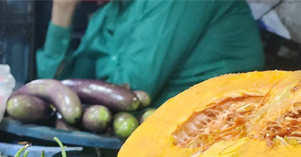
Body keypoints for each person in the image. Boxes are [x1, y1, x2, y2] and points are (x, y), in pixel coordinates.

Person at [37, 0, 265, 105]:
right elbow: (57, 90)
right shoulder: (108, 12)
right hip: (136, 134)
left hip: (211, 140)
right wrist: (62, 9)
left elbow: (130, 91)